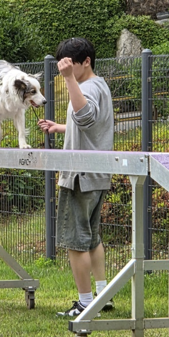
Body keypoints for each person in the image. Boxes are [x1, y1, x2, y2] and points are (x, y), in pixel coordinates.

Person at [37, 37, 114, 317]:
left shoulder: (86, 86)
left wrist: (69, 79)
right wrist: (60, 127)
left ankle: (85, 303)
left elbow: (86, 117)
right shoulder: (100, 84)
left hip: (79, 176)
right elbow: (90, 126)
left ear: (86, 62)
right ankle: (103, 295)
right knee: (92, 238)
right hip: (97, 174)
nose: (65, 69)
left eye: (70, 64)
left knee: (74, 241)